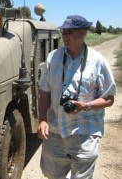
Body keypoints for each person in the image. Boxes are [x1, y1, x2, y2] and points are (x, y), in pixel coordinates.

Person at [37, 15, 116, 179]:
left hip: (84, 133)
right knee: (51, 174)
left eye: (69, 32)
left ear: (83, 33)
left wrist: (85, 106)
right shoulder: (53, 57)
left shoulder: (98, 61)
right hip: (54, 132)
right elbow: (43, 92)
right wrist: (43, 120)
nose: (64, 36)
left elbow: (109, 98)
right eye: (63, 31)